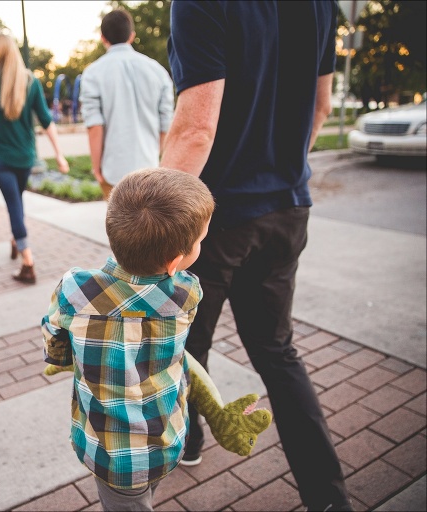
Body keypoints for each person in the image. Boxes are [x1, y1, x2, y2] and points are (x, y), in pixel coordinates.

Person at [160, 2, 352, 511]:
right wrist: (284, 171)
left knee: (184, 346)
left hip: (216, 215)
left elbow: (195, 129)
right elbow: (321, 105)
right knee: (277, 351)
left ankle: (191, 441)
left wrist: (156, 231)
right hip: (287, 206)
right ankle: (328, 498)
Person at [42, 169, 215, 511]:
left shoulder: (75, 290)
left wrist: (62, 359)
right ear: (176, 261)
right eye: (201, 240)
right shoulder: (186, 294)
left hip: (111, 453)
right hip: (166, 436)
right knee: (145, 494)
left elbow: (53, 337)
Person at [0, 31, 69, 285]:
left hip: (1, 158)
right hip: (25, 158)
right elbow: (46, 121)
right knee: (15, 201)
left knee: (14, 204)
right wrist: (59, 154)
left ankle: (28, 264)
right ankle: (16, 240)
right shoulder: (30, 81)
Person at [79, 8, 174, 200]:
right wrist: (157, 156)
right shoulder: (158, 71)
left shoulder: (93, 74)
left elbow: (95, 127)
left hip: (114, 169)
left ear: (103, 38)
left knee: (118, 227)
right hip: (151, 168)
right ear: (132, 36)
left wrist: (96, 167)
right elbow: (166, 124)